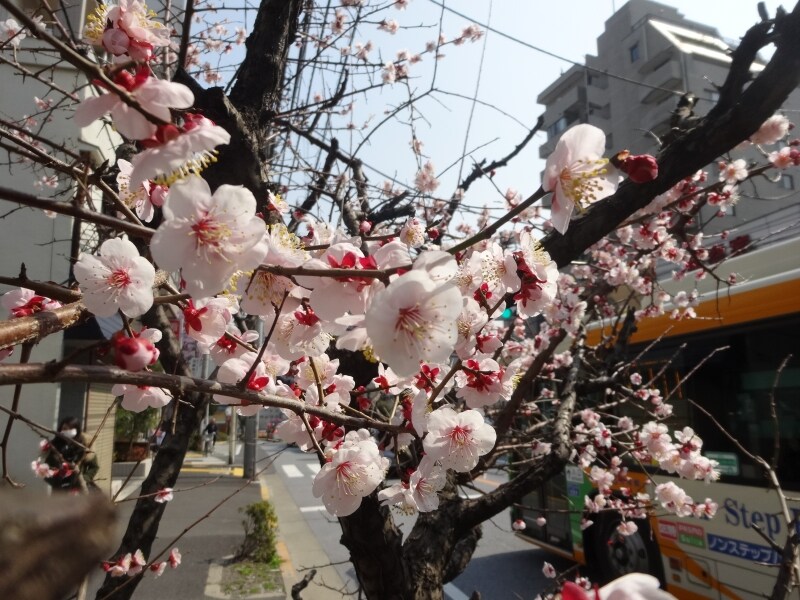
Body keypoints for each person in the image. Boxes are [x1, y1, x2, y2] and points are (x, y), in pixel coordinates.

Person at [44, 416, 99, 491]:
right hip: (59, 490)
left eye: (70, 428)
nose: (67, 431)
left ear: (77, 429)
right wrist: (55, 481)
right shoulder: (55, 445)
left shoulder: (84, 445)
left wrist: (84, 478)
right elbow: (47, 466)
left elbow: (94, 467)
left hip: (77, 489)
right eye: (64, 428)